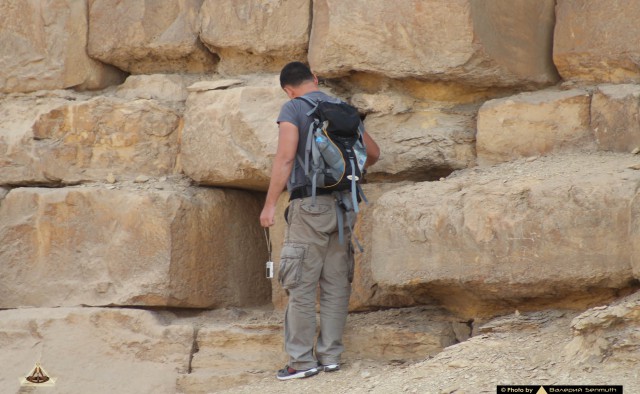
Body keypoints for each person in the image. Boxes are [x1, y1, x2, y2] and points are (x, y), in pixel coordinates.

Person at [260, 61, 380, 381]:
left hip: (309, 207)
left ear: (288, 89)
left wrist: (270, 205)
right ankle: (330, 357)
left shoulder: (293, 108)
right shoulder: (343, 108)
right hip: (345, 206)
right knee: (335, 284)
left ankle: (300, 362)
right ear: (314, 79)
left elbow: (285, 158)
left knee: (300, 284)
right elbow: (373, 153)